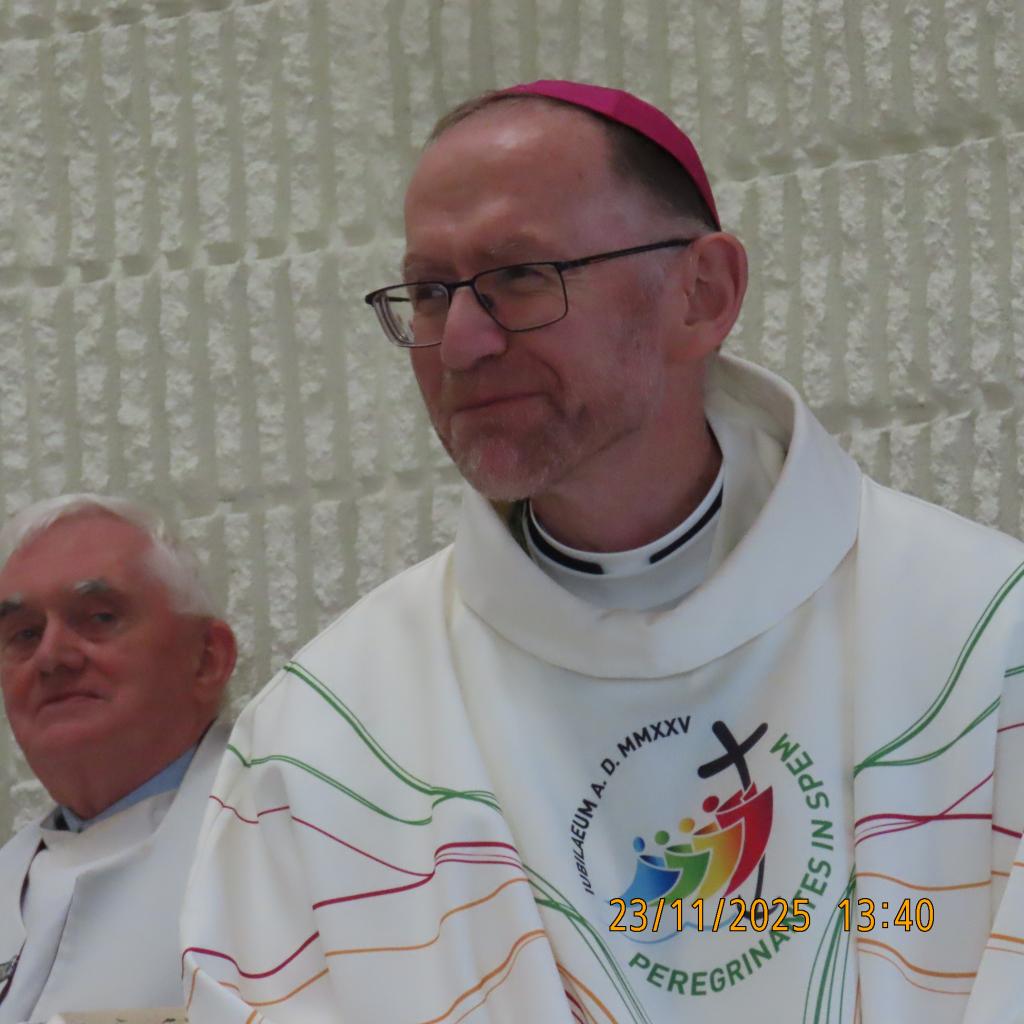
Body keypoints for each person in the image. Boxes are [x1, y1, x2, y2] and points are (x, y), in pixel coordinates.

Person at [180, 81, 1024, 1023]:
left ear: (701, 294)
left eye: (518, 276)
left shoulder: (986, 646)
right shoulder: (325, 742)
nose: (459, 344)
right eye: (429, 293)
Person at [0, 495, 237, 1023]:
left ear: (207, 658)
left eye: (99, 618)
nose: (52, 657)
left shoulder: (284, 846)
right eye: (24, 634)